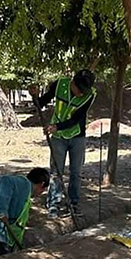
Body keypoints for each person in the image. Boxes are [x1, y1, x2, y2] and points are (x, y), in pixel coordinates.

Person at [29, 69, 97, 219]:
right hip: (58, 138)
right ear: (72, 83)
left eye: (84, 91)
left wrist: (57, 126)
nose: (80, 94)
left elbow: (77, 119)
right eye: (79, 89)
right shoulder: (60, 85)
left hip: (77, 136)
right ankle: (53, 204)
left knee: (76, 173)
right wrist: (34, 97)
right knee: (56, 172)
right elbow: (42, 102)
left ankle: (74, 203)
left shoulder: (89, 96)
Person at [0, 168, 50, 256]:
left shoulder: (27, 196)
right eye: (44, 189)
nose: (41, 193)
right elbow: (6, 180)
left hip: (4, 242)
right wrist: (3, 211)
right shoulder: (23, 183)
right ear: (42, 184)